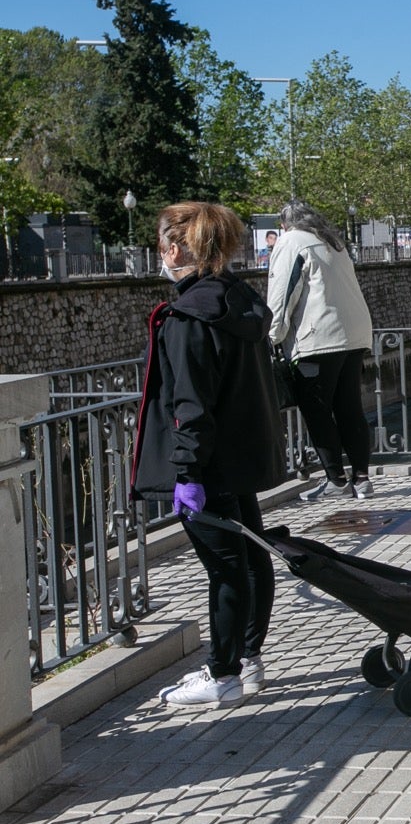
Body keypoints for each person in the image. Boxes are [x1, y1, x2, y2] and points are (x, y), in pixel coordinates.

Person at [133, 202, 285, 708]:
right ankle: (248, 658)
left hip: (209, 466)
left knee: (225, 568)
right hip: (240, 458)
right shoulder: (237, 300)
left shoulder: (188, 317)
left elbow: (190, 406)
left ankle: (223, 674)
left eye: (161, 244)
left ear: (176, 250)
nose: (160, 253)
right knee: (251, 560)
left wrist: (186, 472)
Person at [266, 201, 376, 501]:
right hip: (354, 336)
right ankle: (362, 479)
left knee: (316, 410)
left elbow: (282, 294)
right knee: (349, 408)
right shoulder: (332, 241)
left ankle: (336, 480)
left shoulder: (292, 241)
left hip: (318, 338)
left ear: (285, 223)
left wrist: (272, 336)